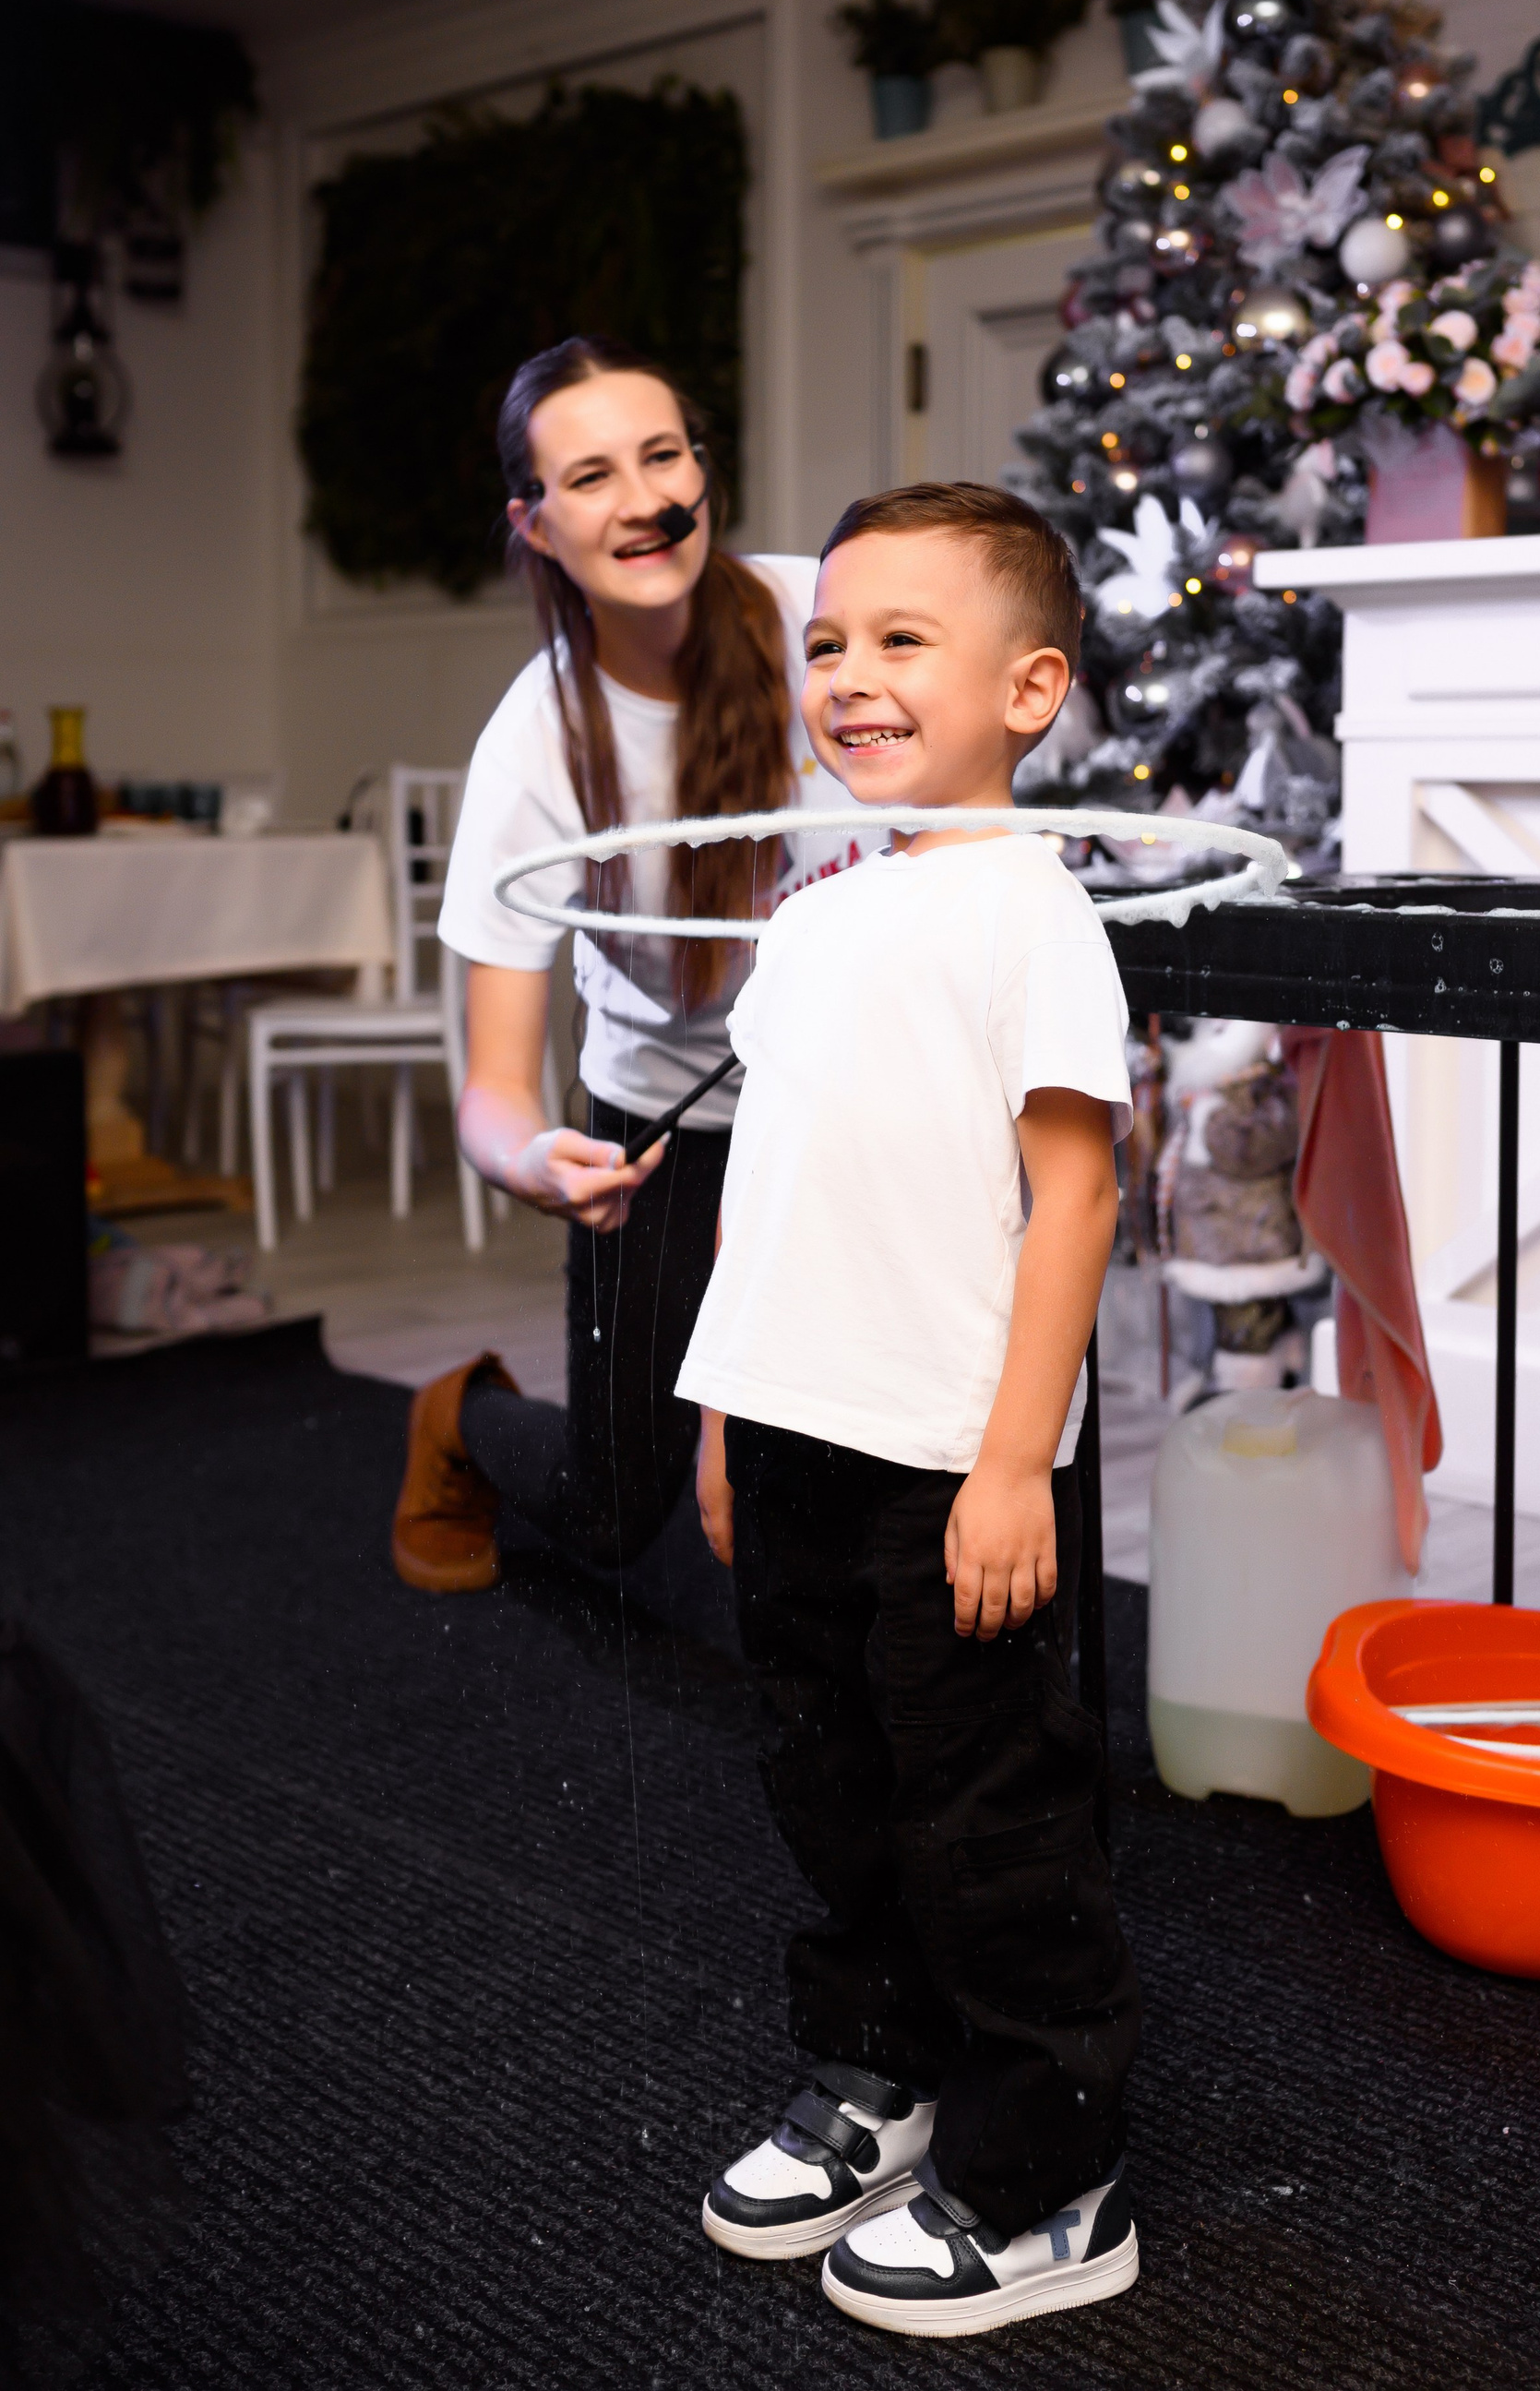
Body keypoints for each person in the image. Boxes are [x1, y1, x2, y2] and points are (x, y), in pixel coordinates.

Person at [682, 483, 1142, 2337]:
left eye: (900, 642)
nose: (847, 677)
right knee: (828, 1772)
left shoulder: (1032, 914)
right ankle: (883, 2071)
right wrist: (724, 1410)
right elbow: (770, 1180)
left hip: (951, 1453)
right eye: (828, 643)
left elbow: (1077, 1196)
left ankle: (1049, 2176)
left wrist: (1016, 1458)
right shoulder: (815, 917)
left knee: (983, 1809)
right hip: (796, 1423)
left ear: (1030, 690)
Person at [389, 336, 863, 1593]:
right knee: (613, 1509)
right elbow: (493, 1089)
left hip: (852, 1108)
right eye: (592, 476)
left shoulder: (826, 620)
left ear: (703, 472)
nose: (644, 499)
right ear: (535, 524)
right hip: (669, 1127)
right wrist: (533, 1159)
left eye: (663, 456)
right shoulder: (534, 748)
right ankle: (459, 1417)